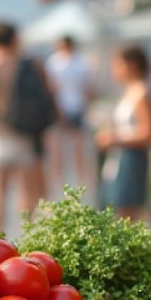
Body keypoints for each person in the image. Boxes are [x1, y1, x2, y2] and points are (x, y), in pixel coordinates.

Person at [0, 21, 50, 233]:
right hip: (24, 136)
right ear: (15, 38)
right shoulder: (29, 64)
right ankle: (29, 238)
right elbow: (50, 94)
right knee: (26, 192)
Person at [97, 46, 151, 220]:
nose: (114, 70)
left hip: (132, 158)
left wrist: (115, 139)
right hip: (121, 157)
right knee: (117, 210)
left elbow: (150, 132)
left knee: (128, 214)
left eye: (118, 65)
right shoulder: (131, 91)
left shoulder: (143, 93)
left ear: (131, 65)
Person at [45, 35, 93, 190]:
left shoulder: (59, 62)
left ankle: (70, 179)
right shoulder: (74, 62)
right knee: (63, 146)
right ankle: (67, 179)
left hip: (71, 106)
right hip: (70, 105)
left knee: (70, 145)